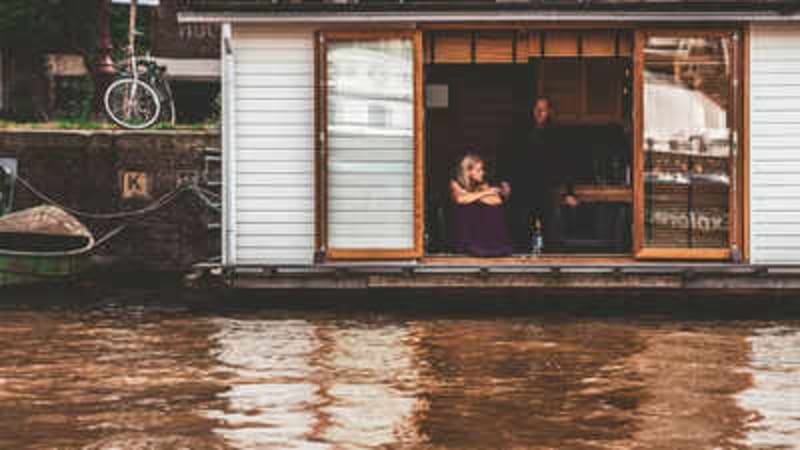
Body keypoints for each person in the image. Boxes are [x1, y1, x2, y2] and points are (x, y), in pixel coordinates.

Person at [499, 97, 579, 253]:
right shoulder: (519, 132)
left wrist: (570, 192)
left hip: (547, 189)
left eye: (543, 110)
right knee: (522, 229)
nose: (539, 113)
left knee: (552, 232)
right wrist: (505, 181)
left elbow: (566, 164)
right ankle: (522, 267)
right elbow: (507, 157)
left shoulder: (557, 134)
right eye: (537, 109)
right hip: (523, 188)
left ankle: (552, 269)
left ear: (549, 112)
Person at [449, 153, 513, 257]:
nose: (482, 173)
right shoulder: (455, 183)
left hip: (478, 233)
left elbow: (496, 201)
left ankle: (494, 246)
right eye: (478, 170)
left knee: (493, 211)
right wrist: (485, 193)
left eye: (482, 169)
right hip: (462, 231)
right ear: (468, 172)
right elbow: (461, 199)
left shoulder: (481, 184)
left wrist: (476, 196)